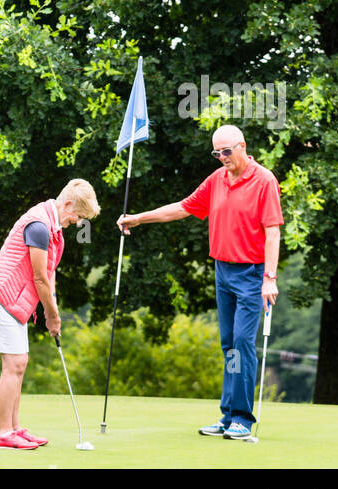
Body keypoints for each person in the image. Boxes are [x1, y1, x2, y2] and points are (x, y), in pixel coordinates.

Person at [116, 125, 282, 440]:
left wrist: (269, 278)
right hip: (223, 271)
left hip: (251, 274)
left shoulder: (264, 181)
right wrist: (139, 218)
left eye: (226, 151)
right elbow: (181, 208)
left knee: (243, 342)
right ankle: (228, 415)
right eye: (216, 153)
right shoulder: (216, 181)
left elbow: (272, 231)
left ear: (242, 146)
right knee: (229, 345)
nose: (222, 158)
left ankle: (243, 419)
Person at [0, 179, 101, 449]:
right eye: (78, 216)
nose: (78, 222)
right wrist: (52, 315)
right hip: (1, 296)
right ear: (67, 204)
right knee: (14, 363)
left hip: (16, 302)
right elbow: (39, 278)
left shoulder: (53, 228)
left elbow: (50, 275)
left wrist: (51, 310)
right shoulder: (39, 227)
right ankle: (3, 433)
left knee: (19, 364)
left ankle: (15, 428)